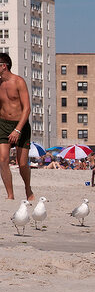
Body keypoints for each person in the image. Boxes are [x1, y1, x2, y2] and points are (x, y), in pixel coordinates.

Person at [0, 53, 33, 200]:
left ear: (3, 66)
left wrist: (18, 129)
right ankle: (10, 195)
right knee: (2, 160)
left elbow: (27, 109)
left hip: (21, 125)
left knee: (22, 163)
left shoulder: (19, 82)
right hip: (3, 124)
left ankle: (28, 188)